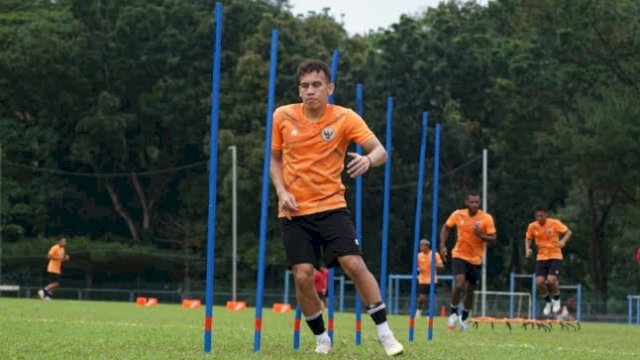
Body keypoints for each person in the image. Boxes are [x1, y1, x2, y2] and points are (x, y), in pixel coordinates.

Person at [270, 59, 403, 356]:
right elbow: (275, 160)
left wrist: (368, 160)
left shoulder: (345, 117)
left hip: (331, 206)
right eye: (304, 86)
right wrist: (281, 191)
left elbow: (380, 150)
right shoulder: (282, 116)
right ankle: (321, 337)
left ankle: (385, 333)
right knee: (303, 275)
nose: (310, 91)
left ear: (329, 88)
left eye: (316, 85)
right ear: (298, 89)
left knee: (354, 264)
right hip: (294, 212)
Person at [439, 191, 496, 331]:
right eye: (472, 202)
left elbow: (494, 239)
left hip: (476, 259)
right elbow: (446, 228)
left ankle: (463, 318)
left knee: (470, 290)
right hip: (459, 254)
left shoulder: (486, 218)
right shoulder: (458, 214)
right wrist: (442, 245)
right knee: (459, 284)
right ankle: (452, 314)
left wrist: (480, 235)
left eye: (477, 202)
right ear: (467, 203)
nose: (475, 204)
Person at [525, 204, 572, 317]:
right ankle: (548, 302)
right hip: (541, 257)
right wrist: (527, 249)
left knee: (551, 280)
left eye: (541, 216)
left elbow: (568, 232)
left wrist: (563, 241)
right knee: (539, 282)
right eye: (537, 216)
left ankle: (556, 300)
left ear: (546, 215)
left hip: (555, 255)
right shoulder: (532, 226)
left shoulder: (554, 223)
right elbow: (528, 238)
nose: (539, 219)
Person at [416, 239, 444, 318]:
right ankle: (419, 310)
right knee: (422, 297)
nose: (421, 247)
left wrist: (435, 266)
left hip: (432, 279)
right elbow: (416, 267)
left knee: (432, 297)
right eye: (420, 245)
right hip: (422, 279)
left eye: (422, 245)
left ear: (427, 246)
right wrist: (418, 269)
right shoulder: (419, 256)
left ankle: (429, 314)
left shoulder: (435, 254)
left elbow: (441, 266)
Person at [38, 236, 69, 301]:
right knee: (57, 283)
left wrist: (65, 259)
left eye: (65, 241)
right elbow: (48, 256)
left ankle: (48, 296)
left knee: (56, 284)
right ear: (59, 241)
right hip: (52, 268)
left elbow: (60, 259)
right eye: (63, 241)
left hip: (57, 269)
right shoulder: (55, 247)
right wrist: (58, 258)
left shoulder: (63, 249)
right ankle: (42, 291)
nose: (65, 243)